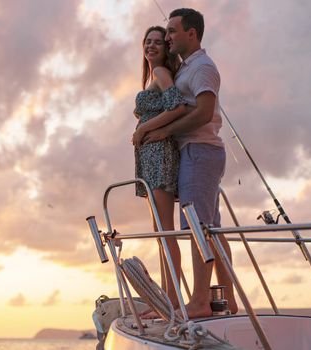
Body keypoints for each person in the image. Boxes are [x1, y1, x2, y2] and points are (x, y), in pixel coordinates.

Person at [138, 8, 238, 318]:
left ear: (191, 34)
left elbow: (203, 112)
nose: (167, 38)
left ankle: (199, 302)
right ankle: (228, 300)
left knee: (198, 229)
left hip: (200, 150)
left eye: (171, 32)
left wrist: (160, 130)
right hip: (192, 152)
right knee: (211, 230)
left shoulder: (202, 68)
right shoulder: (184, 69)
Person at [132, 26, 189, 307]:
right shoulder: (154, 75)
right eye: (148, 41)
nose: (152, 46)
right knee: (160, 233)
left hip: (159, 155)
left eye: (158, 42)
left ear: (166, 49)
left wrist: (144, 130)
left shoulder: (161, 73)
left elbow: (177, 107)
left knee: (165, 232)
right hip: (151, 156)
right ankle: (169, 299)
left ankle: (173, 301)